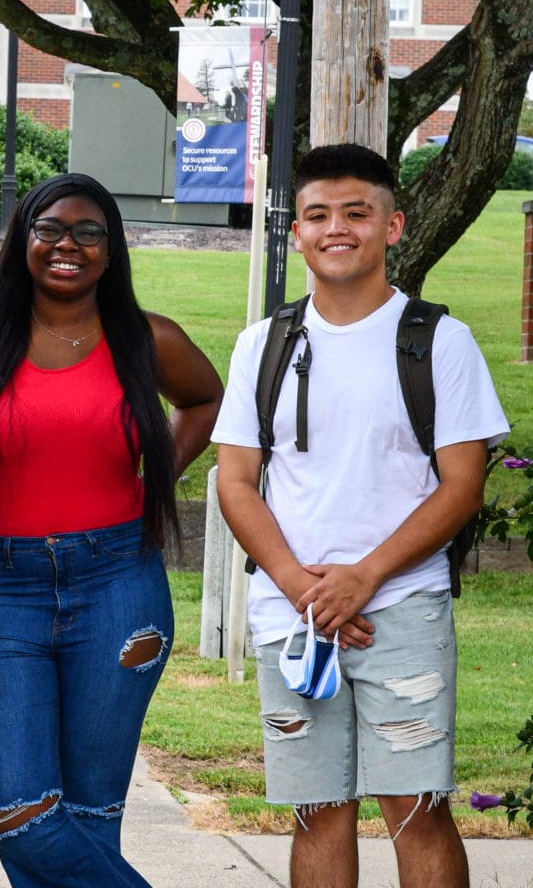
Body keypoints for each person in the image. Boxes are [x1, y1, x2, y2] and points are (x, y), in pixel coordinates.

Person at [212, 144, 508, 888]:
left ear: (392, 226)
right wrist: (302, 587)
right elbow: (236, 481)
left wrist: (364, 577)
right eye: (317, 215)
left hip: (402, 605)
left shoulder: (439, 341)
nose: (336, 229)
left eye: (356, 212)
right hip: (293, 616)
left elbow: (462, 486)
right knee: (317, 811)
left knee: (416, 808)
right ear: (297, 233)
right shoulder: (263, 344)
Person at [0, 173, 223, 888]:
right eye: (50, 229)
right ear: (23, 241)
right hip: (5, 588)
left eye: (89, 232)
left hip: (118, 582)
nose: (69, 245)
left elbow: (208, 399)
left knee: (90, 815)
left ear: (111, 249)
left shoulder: (147, 339)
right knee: (16, 811)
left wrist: (154, 481)